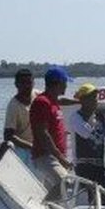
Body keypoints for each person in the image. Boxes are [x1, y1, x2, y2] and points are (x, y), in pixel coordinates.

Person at [30, 66, 75, 200]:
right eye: (65, 83)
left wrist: (80, 101)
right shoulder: (42, 102)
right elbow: (42, 133)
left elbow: (63, 101)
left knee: (56, 193)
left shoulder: (53, 100)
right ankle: (42, 208)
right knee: (66, 183)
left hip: (54, 157)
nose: (66, 86)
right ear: (58, 83)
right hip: (46, 156)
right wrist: (60, 157)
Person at [67, 83, 105, 202]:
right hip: (84, 165)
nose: (95, 101)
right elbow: (86, 133)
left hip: (99, 166)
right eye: (92, 98)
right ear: (83, 100)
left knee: (100, 198)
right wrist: (93, 117)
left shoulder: (101, 117)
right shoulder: (75, 117)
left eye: (96, 97)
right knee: (92, 197)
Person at [0, 68, 37, 164]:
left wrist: (77, 101)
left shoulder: (37, 95)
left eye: (29, 82)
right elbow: (8, 136)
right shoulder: (13, 106)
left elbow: (56, 100)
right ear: (16, 84)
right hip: (22, 148)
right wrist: (31, 146)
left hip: (39, 146)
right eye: (23, 83)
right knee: (5, 145)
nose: (27, 86)